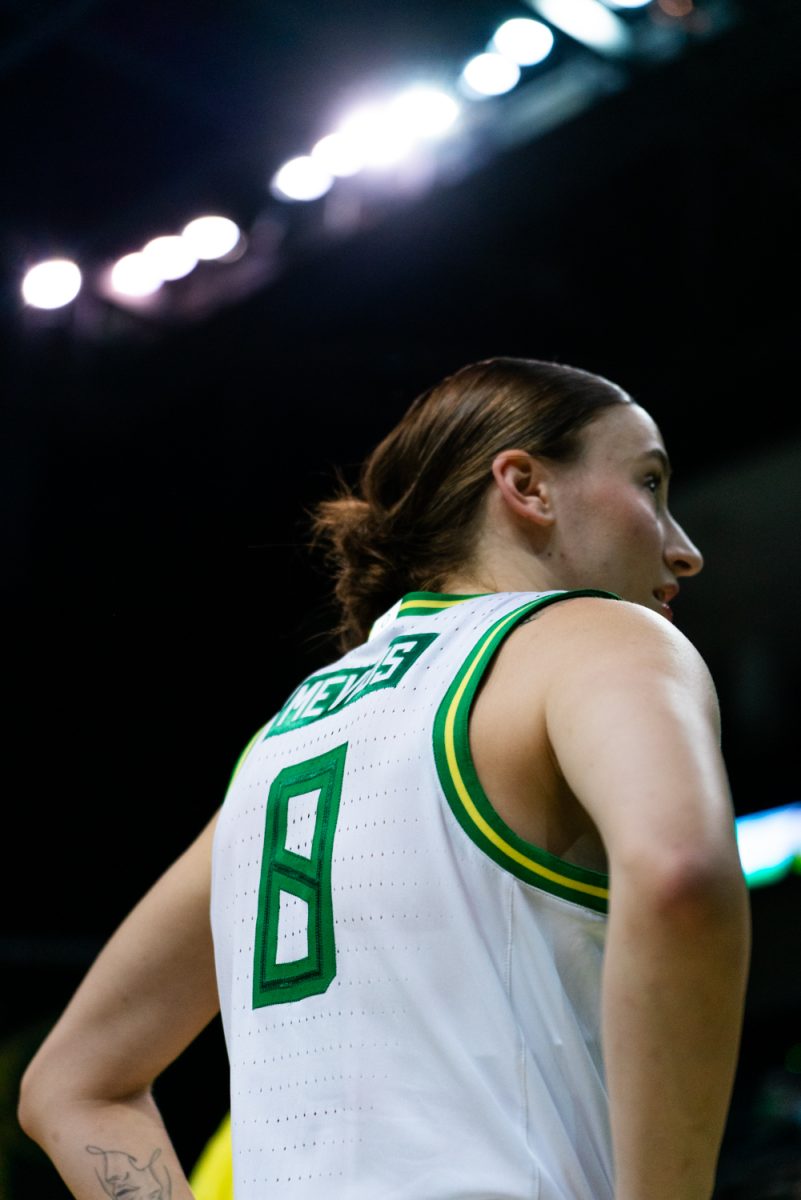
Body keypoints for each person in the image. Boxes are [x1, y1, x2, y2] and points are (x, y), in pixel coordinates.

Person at [18, 356, 751, 1200]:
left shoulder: (282, 747)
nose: (681, 548)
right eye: (649, 484)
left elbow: (72, 1086)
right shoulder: (598, 636)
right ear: (526, 485)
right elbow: (681, 879)